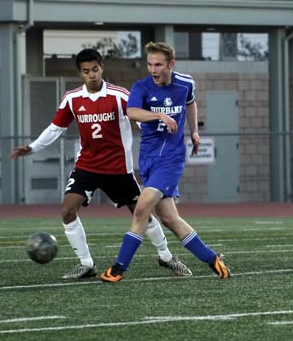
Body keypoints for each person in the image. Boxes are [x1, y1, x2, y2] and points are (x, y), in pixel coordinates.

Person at [10, 48, 192, 279]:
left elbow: (140, 118)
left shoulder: (119, 95)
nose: (92, 75)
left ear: (101, 68)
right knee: (67, 210)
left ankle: (166, 257)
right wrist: (33, 147)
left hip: (118, 168)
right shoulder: (72, 98)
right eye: (86, 71)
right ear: (80, 73)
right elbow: (56, 128)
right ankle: (86, 264)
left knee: (142, 213)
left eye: (95, 69)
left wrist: (162, 141)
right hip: (87, 166)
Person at [100, 41, 231, 283]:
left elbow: (190, 103)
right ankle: (212, 258)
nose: (153, 69)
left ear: (171, 64)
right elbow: (132, 112)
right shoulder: (141, 87)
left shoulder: (185, 83)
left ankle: (118, 268)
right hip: (148, 157)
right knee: (170, 219)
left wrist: (194, 131)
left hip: (171, 158)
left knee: (141, 208)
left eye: (158, 64)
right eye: (150, 64)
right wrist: (158, 115)